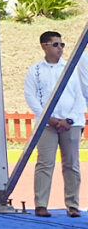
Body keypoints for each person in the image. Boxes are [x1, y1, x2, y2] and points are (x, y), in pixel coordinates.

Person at [23, 30, 83, 218]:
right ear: (44, 46)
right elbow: (31, 97)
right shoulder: (35, 70)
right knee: (44, 163)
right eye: (56, 44)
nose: (61, 48)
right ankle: (41, 204)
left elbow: (80, 97)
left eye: (62, 44)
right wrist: (47, 117)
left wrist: (69, 120)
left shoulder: (71, 68)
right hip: (46, 124)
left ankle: (72, 204)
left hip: (70, 123)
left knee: (71, 164)